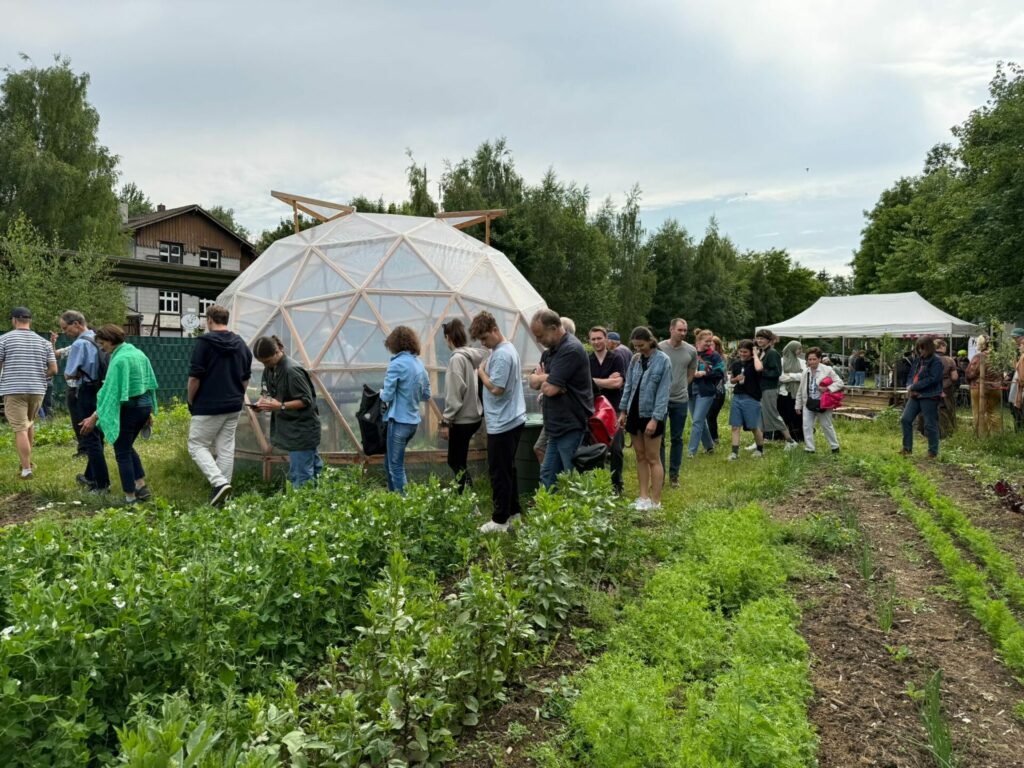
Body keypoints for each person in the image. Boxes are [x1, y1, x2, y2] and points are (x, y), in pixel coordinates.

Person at [78, 324, 158, 503]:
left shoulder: (120, 360)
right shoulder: (138, 353)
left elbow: (111, 393)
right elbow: (148, 383)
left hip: (129, 409)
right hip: (144, 407)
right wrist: (149, 412)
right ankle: (140, 485)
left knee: (122, 452)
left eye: (102, 343)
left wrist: (94, 417)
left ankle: (130, 498)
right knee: (126, 445)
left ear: (110, 340)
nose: (102, 348)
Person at [186, 304, 252, 507]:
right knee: (226, 449)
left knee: (197, 445)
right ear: (226, 320)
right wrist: (238, 396)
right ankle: (222, 496)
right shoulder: (241, 344)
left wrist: (190, 400)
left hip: (208, 404)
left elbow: (195, 378)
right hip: (233, 405)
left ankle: (219, 483)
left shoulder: (204, 343)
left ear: (209, 320)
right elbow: (245, 379)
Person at [472, 311, 527, 534]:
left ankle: (500, 519)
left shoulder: (503, 354)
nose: (483, 343)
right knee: (507, 469)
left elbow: (496, 388)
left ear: (495, 330)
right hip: (510, 419)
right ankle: (514, 514)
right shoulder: (503, 349)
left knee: (499, 472)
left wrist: (481, 372)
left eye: (485, 338)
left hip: (503, 422)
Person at [529, 309, 593, 489]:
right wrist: (547, 378)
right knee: (548, 474)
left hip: (570, 424)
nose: (538, 341)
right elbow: (532, 382)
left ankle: (579, 507)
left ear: (554, 328)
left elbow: (549, 390)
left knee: (572, 478)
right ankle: (550, 507)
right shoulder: (550, 351)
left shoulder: (571, 349)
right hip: (555, 426)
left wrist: (544, 379)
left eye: (540, 335)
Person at [252, 335, 323, 489]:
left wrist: (281, 406)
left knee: (301, 476)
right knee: (312, 469)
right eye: (262, 362)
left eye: (267, 361)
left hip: (301, 430)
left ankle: (304, 502)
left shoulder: (292, 371)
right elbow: (266, 391)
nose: (265, 365)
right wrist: (262, 403)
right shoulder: (270, 368)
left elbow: (306, 400)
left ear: (278, 351)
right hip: (292, 430)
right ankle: (318, 499)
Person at [0, 307, 58, 479]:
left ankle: (26, 470)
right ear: (30, 321)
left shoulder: (4, 340)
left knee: (20, 429)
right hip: (37, 390)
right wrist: (38, 376)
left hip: (13, 389)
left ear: (14, 320)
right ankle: (27, 462)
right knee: (29, 424)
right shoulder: (44, 342)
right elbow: (54, 369)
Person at [618, 327, 671, 510]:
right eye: (635, 346)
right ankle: (643, 497)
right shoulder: (635, 359)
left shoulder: (663, 361)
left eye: (641, 345)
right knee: (640, 456)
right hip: (633, 412)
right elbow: (628, 386)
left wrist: (655, 419)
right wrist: (623, 411)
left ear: (650, 341)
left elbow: (663, 393)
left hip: (652, 414)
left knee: (653, 458)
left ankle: (656, 501)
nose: (638, 349)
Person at [56, 310, 109, 492]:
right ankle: (90, 476)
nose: (65, 332)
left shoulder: (79, 344)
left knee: (90, 438)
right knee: (98, 436)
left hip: (86, 391)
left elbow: (69, 373)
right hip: (102, 389)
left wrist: (75, 374)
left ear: (76, 324)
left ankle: (101, 484)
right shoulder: (99, 339)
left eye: (65, 328)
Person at [379, 325, 431, 495]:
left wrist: (380, 393)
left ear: (395, 344)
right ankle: (393, 497)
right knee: (389, 462)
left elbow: (387, 395)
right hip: (412, 423)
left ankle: (404, 502)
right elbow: (426, 394)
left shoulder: (396, 364)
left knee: (396, 467)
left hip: (398, 423)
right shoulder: (419, 365)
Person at [440, 318, 485, 493]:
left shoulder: (457, 359)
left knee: (455, 461)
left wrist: (445, 421)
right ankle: (466, 496)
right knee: (459, 460)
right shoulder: (470, 357)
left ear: (448, 337)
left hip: (462, 419)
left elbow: (455, 393)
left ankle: (467, 498)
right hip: (474, 416)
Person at [657, 318, 697, 487]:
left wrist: (682, 386)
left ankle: (674, 475)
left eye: (685, 330)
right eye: (680, 330)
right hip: (661, 400)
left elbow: (691, 372)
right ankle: (659, 474)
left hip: (680, 400)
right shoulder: (659, 348)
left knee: (677, 438)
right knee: (658, 438)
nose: (683, 333)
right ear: (671, 329)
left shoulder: (691, 350)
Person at [588, 326, 626, 495]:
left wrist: (593, 381)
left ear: (606, 339)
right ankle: (598, 486)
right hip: (594, 410)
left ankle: (617, 484)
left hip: (614, 409)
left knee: (616, 448)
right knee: (596, 449)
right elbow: (584, 384)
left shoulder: (616, 358)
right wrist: (606, 381)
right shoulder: (587, 360)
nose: (596, 342)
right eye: (593, 339)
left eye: (599, 338)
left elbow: (618, 383)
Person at [752, 330, 799, 451]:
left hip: (769, 389)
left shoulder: (772, 353)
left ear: (769, 340)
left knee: (773, 414)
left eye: (762, 338)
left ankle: (790, 440)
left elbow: (776, 372)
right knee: (760, 415)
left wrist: (761, 371)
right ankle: (758, 441)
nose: (759, 340)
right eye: (758, 338)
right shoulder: (762, 352)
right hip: (762, 388)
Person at [900, 337, 944, 458]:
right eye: (919, 348)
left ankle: (932, 452)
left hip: (929, 395)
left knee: (930, 424)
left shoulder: (936, 361)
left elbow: (933, 379)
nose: (921, 351)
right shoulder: (918, 360)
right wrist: (909, 385)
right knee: (905, 419)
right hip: (915, 395)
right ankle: (907, 448)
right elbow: (911, 374)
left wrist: (914, 386)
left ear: (929, 348)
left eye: (923, 348)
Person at [795, 347, 843, 454]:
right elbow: (801, 389)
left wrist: (828, 388)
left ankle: (835, 447)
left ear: (819, 359)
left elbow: (840, 383)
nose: (812, 361)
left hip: (823, 403)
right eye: (810, 359)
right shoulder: (805, 372)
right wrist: (798, 405)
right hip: (808, 402)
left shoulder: (827, 370)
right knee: (806, 426)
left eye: (814, 359)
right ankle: (810, 448)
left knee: (826, 425)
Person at [687, 329, 725, 457]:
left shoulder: (714, 355)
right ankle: (709, 446)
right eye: (706, 341)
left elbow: (720, 373)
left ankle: (691, 451)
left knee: (697, 421)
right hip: (690, 391)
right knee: (699, 421)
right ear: (698, 341)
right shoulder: (690, 353)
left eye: (710, 341)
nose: (709, 344)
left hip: (706, 392)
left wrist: (705, 373)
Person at [728, 339, 764, 460]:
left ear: (751, 352)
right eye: (741, 351)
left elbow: (759, 369)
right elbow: (731, 380)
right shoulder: (736, 364)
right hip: (737, 397)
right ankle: (734, 453)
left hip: (751, 398)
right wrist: (736, 379)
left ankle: (759, 449)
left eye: (745, 352)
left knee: (753, 426)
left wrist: (755, 355)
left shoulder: (755, 363)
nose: (742, 354)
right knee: (735, 426)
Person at [965, 336, 1003, 437]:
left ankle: (980, 435)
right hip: (995, 388)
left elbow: (970, 373)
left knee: (978, 411)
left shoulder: (978, 356)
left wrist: (969, 380)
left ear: (980, 344)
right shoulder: (997, 357)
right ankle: (996, 434)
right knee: (993, 411)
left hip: (979, 387)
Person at [777, 340, 806, 442]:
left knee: (796, 416)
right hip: (783, 393)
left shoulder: (801, 362)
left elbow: (804, 376)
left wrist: (789, 375)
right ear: (791, 349)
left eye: (800, 348)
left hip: (796, 393)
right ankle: (783, 437)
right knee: (783, 415)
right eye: (798, 348)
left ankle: (797, 437)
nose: (800, 351)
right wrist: (796, 376)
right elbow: (780, 377)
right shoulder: (781, 361)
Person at [933, 339, 960, 437]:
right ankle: (948, 431)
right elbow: (954, 377)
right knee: (947, 409)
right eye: (945, 346)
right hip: (946, 387)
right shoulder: (949, 360)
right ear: (941, 346)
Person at [1009, 328, 1024, 433]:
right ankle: (1018, 430)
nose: (1015, 341)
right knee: (1014, 407)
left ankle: (1019, 431)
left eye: (1016, 338)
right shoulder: (1018, 351)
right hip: (1017, 384)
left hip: (1020, 385)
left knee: (1019, 409)